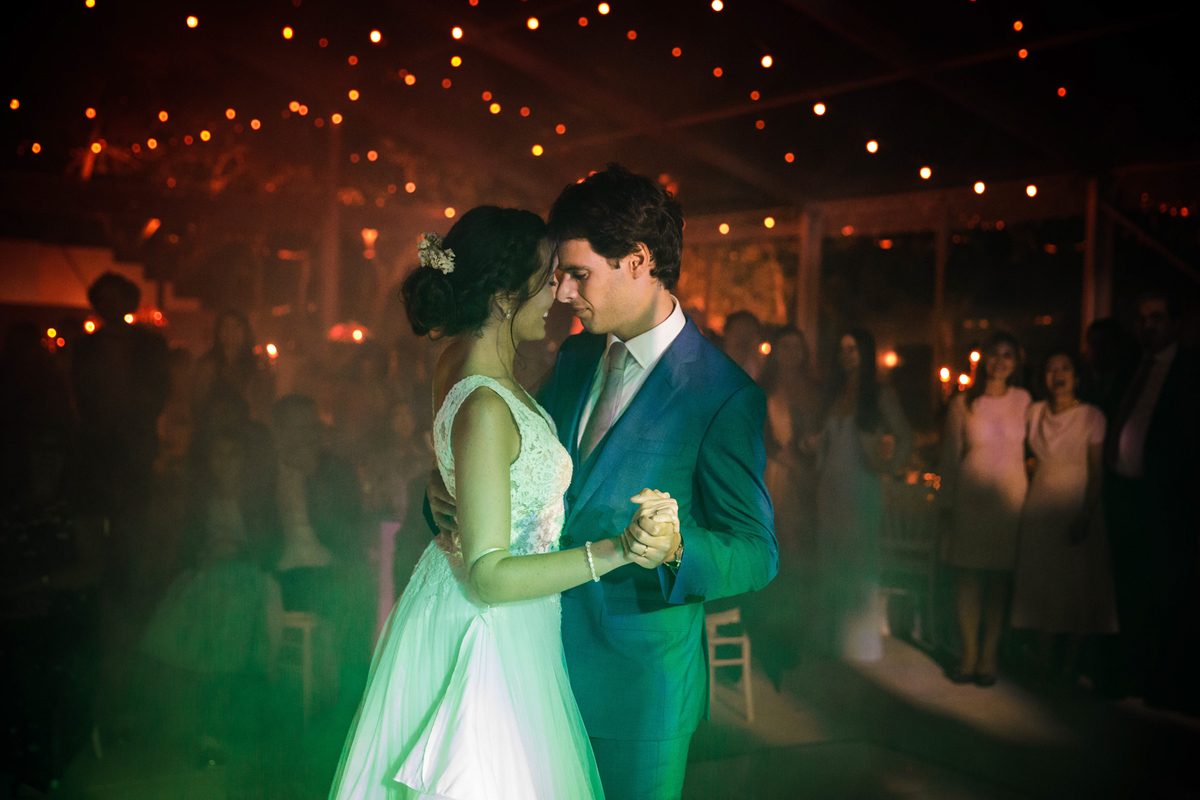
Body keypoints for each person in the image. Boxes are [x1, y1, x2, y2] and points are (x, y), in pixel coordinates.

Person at [428, 166, 778, 800]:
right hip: (533, 665)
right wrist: (448, 493)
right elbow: (516, 471)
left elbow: (758, 552)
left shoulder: (723, 396)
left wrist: (676, 548)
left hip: (637, 693)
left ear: (638, 261)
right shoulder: (577, 356)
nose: (561, 292)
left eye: (578, 274)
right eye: (559, 275)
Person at [331, 206, 676, 800]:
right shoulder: (487, 401)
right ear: (502, 295)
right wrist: (617, 551)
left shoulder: (460, 364)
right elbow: (489, 575)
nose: (558, 294)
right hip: (487, 631)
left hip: (483, 611)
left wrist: (454, 484)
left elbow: (474, 463)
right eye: (547, 278)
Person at [139, 427, 282, 764]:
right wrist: (203, 554)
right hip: (208, 578)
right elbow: (187, 548)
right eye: (218, 455)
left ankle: (217, 732)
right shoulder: (203, 501)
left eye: (232, 455)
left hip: (249, 580)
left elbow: (271, 550)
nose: (225, 463)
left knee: (225, 627)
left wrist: (236, 551)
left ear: (244, 460)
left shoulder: (258, 501)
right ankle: (190, 728)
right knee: (189, 630)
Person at [1103, 291, 1200, 712]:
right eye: (1143, 318)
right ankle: (1131, 674)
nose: (1148, 325)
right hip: (1124, 495)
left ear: (1175, 323)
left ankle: (1164, 684)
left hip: (1166, 502)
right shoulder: (1132, 367)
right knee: (1127, 589)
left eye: (1157, 318)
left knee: (1165, 593)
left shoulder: (1191, 370)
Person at [1011, 350, 1118, 684]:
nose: (1058, 374)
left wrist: (1086, 514)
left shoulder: (1092, 416)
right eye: (1051, 368)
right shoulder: (1034, 412)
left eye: (1065, 368)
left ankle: (1070, 666)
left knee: (1076, 585)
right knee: (1041, 583)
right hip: (1040, 507)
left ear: (1077, 375)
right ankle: (1044, 662)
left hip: (1076, 505)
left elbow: (1097, 472)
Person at [811, 328, 913, 662]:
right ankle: (834, 641)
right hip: (829, 486)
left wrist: (888, 466)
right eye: (842, 349)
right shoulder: (833, 393)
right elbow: (824, 440)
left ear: (865, 353)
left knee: (860, 561)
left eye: (853, 349)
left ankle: (860, 644)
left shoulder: (877, 394)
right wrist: (812, 445)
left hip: (861, 486)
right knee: (832, 560)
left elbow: (905, 436)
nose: (846, 355)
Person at [939, 331, 1031, 686]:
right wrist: (947, 502)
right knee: (969, 576)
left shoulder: (1024, 400)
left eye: (1008, 355)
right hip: (972, 498)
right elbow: (950, 457)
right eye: (995, 353)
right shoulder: (964, 402)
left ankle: (989, 655)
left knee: (999, 579)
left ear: (1016, 362)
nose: (1000, 361)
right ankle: (969, 653)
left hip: (1009, 500)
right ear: (983, 358)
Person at [762, 326, 821, 564]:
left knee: (806, 543)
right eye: (785, 346)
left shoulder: (814, 389)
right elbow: (760, 434)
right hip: (774, 473)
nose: (791, 352)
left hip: (810, 475)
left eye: (797, 347)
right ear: (775, 351)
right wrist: (787, 459)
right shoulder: (763, 388)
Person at [192, 309, 273, 424]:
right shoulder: (208, 366)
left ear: (245, 331)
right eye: (225, 326)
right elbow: (198, 403)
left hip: (246, 426)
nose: (230, 331)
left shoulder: (256, 366)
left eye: (236, 326)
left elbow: (262, 402)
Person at [722, 309, 765, 381]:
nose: (742, 339)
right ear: (726, 334)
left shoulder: (763, 376)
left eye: (747, 333)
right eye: (737, 332)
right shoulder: (711, 370)